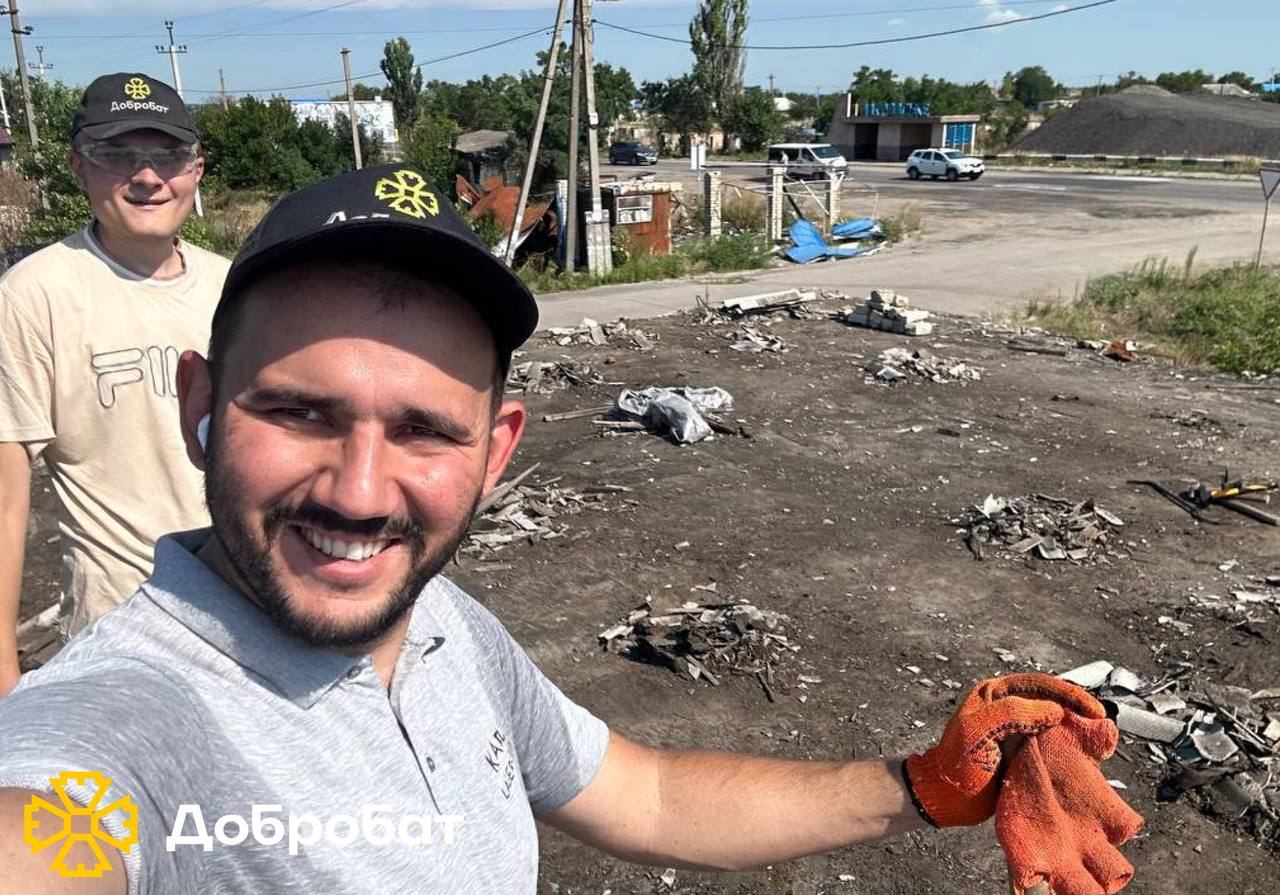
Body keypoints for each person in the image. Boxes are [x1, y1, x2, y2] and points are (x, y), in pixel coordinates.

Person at [0, 166, 1117, 893]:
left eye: (424, 429)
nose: (359, 490)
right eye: (299, 412)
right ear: (201, 404)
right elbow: (44, 835)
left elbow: (646, 794)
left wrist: (920, 784)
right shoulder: (126, 723)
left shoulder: (443, 626)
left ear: (495, 452)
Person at [0, 72, 228, 695]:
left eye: (169, 156)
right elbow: (6, 498)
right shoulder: (35, 296)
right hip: (120, 636)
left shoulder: (234, 286)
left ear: (197, 168)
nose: (148, 176)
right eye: (118, 154)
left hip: (245, 621)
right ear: (79, 166)